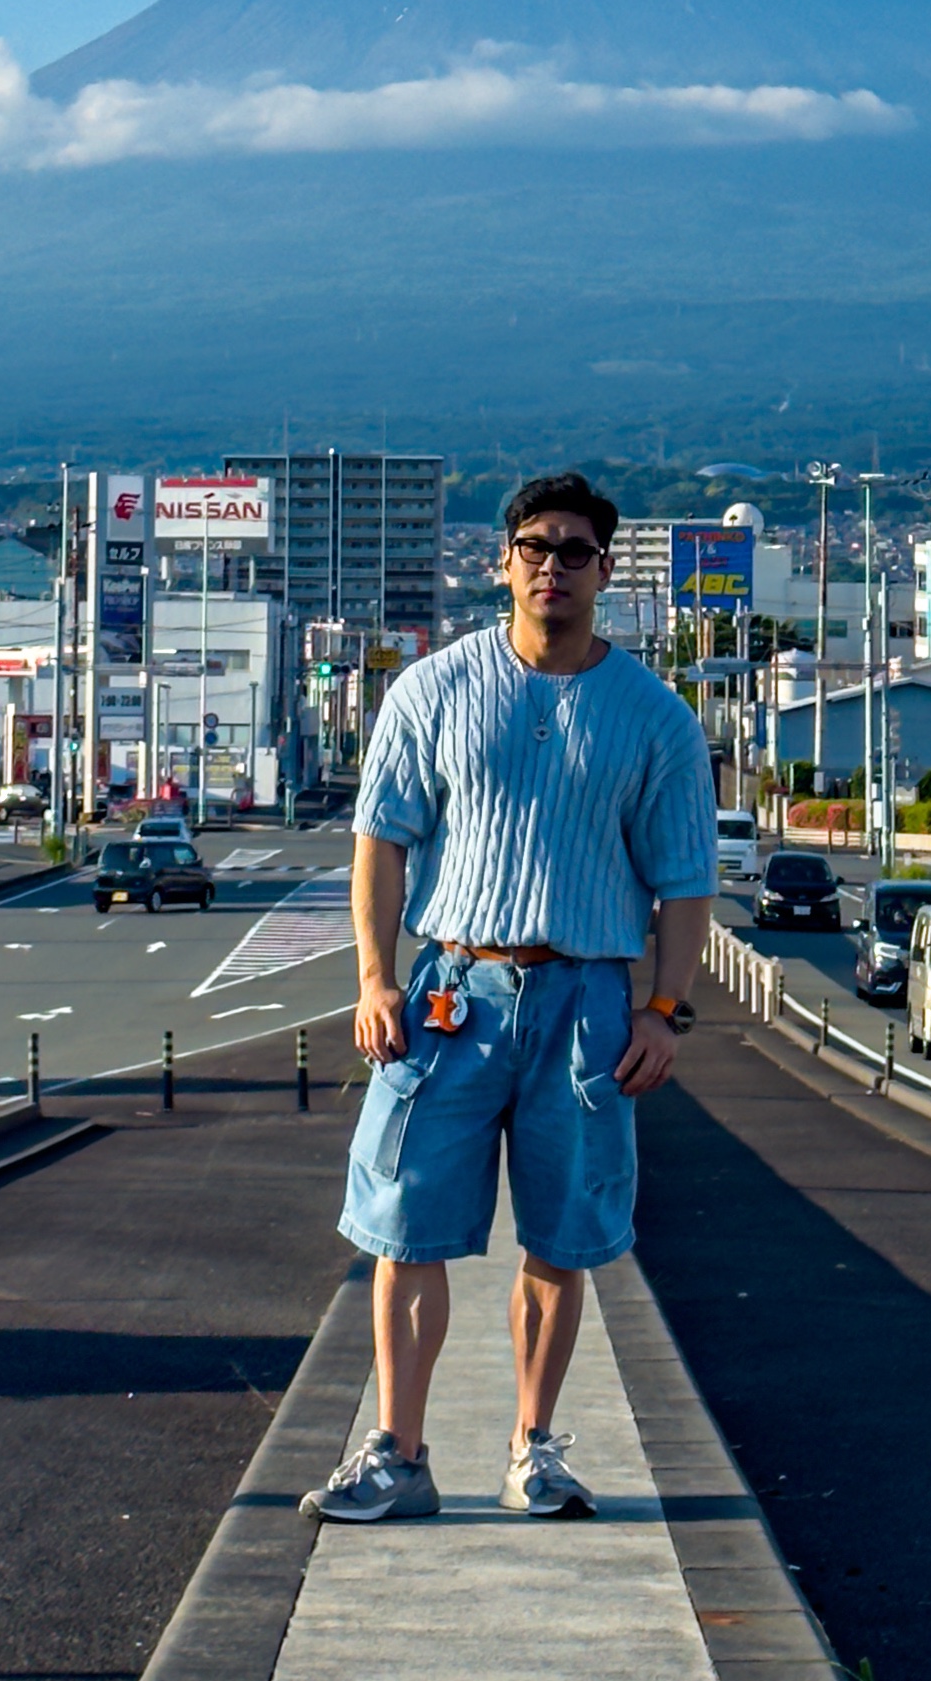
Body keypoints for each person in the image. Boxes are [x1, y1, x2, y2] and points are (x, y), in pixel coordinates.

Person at [301, 471, 716, 1526]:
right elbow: (380, 840)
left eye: (575, 550)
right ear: (503, 560)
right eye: (534, 545)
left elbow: (683, 878)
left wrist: (663, 1009)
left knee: (560, 1238)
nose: (552, 565)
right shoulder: (431, 688)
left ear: (604, 569)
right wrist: (373, 977)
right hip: (450, 991)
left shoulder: (654, 716)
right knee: (403, 1224)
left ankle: (534, 1448)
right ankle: (397, 1453)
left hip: (585, 1000)